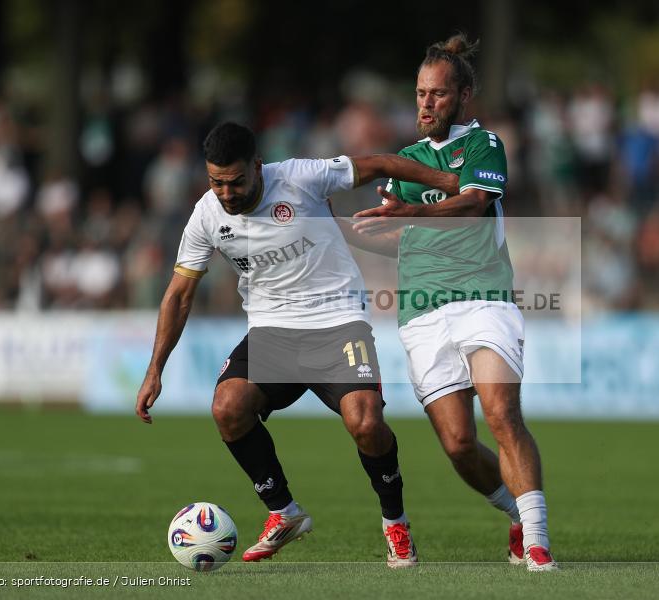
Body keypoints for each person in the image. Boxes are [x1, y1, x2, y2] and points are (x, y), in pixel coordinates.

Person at [135, 122, 459, 568]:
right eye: (216, 182)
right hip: (273, 331)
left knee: (366, 422)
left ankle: (395, 524)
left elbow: (381, 163)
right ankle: (283, 513)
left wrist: (450, 182)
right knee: (228, 407)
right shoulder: (207, 215)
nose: (227, 193)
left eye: (236, 181)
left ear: (258, 167)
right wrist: (156, 368)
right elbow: (179, 295)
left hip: (338, 321)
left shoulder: (301, 177)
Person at [347, 34, 558, 571]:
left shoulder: (484, 145)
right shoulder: (406, 162)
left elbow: (473, 204)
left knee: (501, 412)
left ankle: (537, 541)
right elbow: (400, 238)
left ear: (463, 95)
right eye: (420, 93)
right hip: (421, 311)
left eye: (437, 94)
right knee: (460, 444)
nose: (425, 103)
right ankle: (515, 516)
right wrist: (360, 232)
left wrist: (406, 215)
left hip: (484, 298)